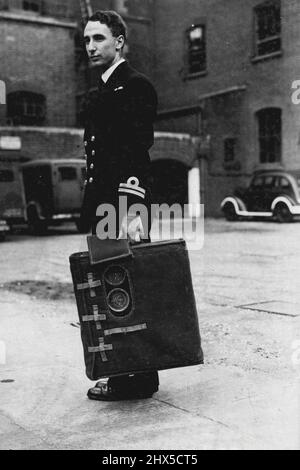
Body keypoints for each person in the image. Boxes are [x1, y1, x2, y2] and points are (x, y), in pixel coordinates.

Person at [79, 10, 159, 401]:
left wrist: (131, 209)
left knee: (131, 288)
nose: (91, 46)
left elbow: (136, 150)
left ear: (119, 42)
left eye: (98, 38)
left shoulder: (135, 86)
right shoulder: (100, 91)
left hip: (124, 205)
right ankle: (125, 374)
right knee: (113, 289)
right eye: (87, 40)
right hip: (102, 205)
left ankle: (138, 378)